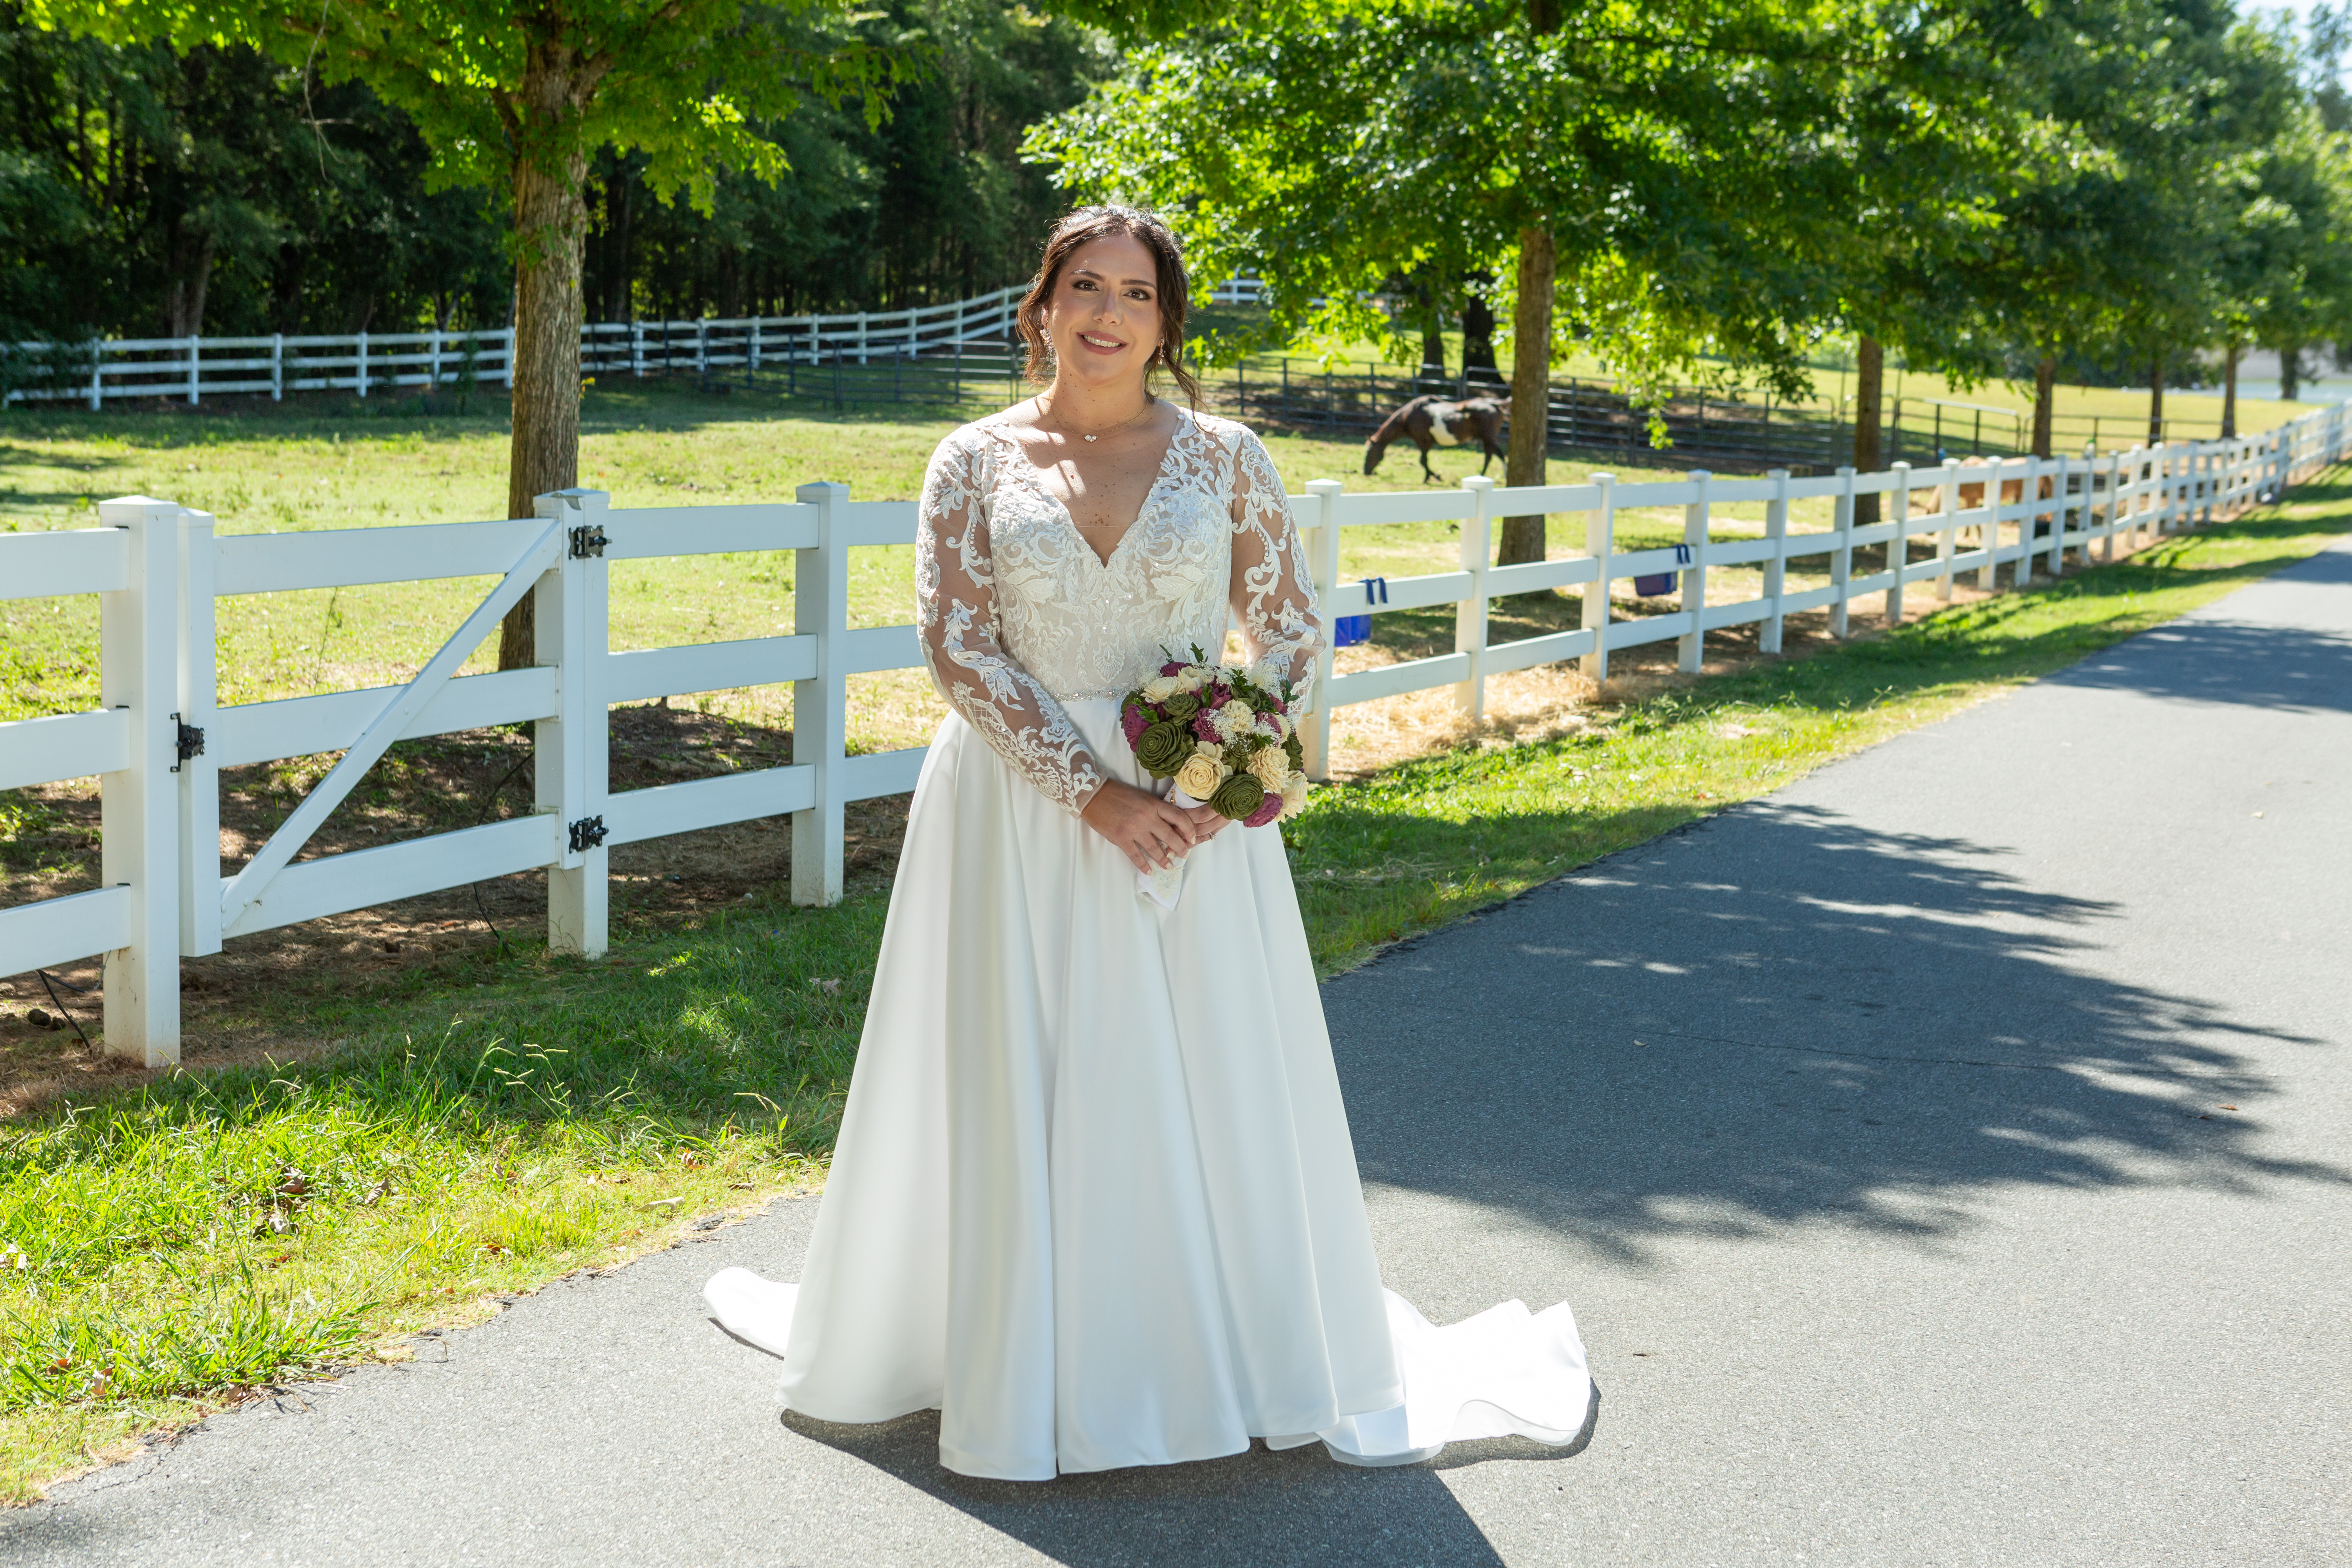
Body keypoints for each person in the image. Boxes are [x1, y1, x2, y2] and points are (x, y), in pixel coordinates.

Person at [705, 206, 1595, 1481]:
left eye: (1135, 293)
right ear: (1043, 304)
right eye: (1084, 286)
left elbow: (1292, 629)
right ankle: (1006, 1349)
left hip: (1194, 805)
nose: (1107, 313)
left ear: (1167, 323)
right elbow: (959, 646)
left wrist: (1238, 762)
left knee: (1194, 1067)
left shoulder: (1227, 456)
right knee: (1023, 1061)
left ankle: (1202, 1350)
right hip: (1016, 809)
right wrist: (1094, 794)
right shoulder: (971, 459)